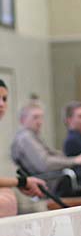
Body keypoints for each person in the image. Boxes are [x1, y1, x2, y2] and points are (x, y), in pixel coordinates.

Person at [0, 79, 47, 217]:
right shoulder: (25, 138)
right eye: (35, 117)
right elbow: (44, 163)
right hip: (35, 183)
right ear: (22, 119)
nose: (1, 104)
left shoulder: (37, 137)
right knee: (7, 200)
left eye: (4, 99)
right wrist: (22, 182)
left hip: (32, 183)